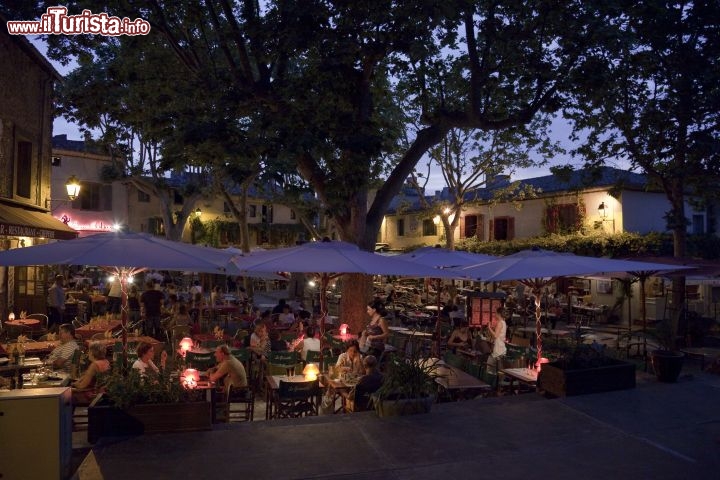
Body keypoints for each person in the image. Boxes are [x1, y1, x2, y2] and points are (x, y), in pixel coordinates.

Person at [487, 307, 507, 373]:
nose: (495, 314)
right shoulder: (503, 322)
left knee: (490, 366)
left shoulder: (500, 323)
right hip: (500, 348)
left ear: (499, 314)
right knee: (499, 369)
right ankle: (496, 380)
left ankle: (491, 380)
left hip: (499, 349)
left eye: (495, 313)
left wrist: (489, 328)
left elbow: (495, 336)